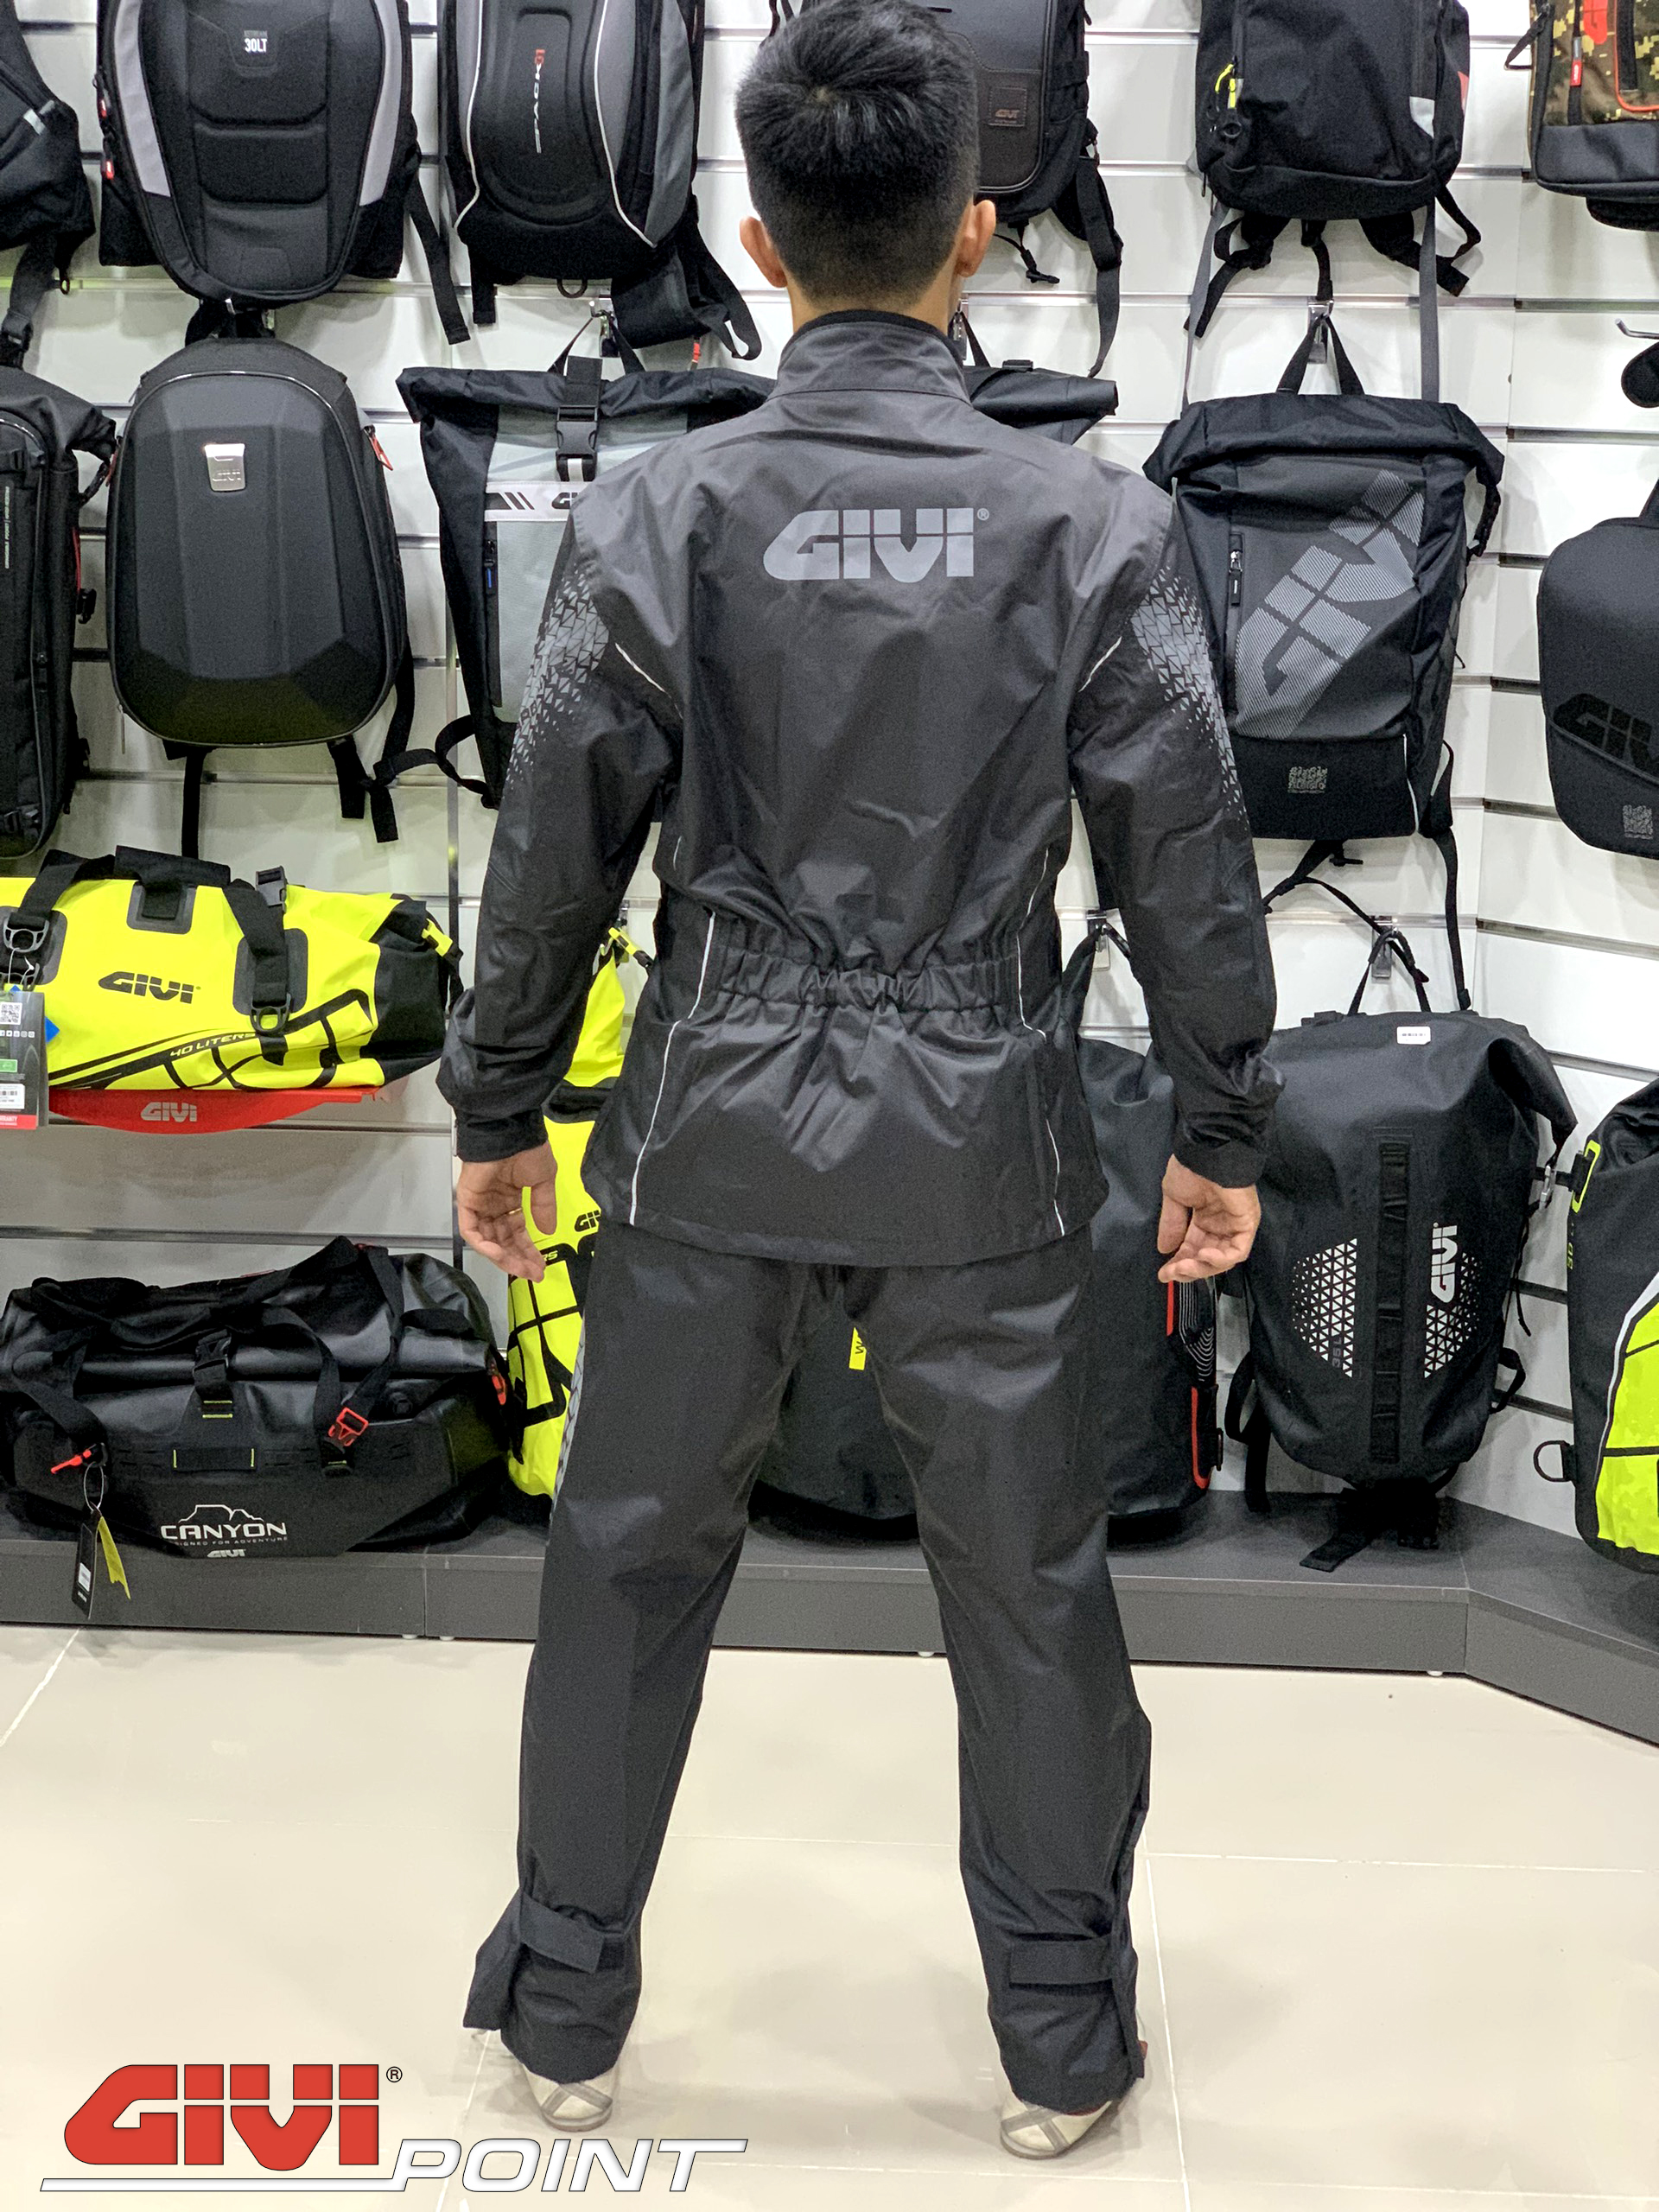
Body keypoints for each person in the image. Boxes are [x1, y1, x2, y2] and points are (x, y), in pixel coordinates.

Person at [441, 0, 1278, 2164]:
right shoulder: (1092, 524)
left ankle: (566, 2007)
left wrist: (498, 1102)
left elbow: (551, 843)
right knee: (1028, 1582)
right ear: (974, 231)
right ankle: (1063, 2043)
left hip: (709, 1111)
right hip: (981, 1121)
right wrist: (1222, 1124)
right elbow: (1186, 858)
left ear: (758, 241)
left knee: (628, 1556)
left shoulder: (664, 510)